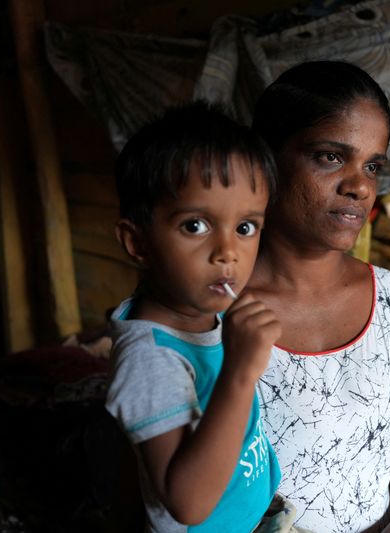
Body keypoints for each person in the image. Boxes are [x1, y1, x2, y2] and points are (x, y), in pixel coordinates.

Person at [248, 61, 390, 532]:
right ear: (268, 159)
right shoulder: (213, 316)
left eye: (373, 166)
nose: (359, 185)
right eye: (329, 157)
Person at [105, 101, 283, 532]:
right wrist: (240, 373)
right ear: (138, 242)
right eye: (195, 226)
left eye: (245, 228)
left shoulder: (204, 315)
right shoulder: (151, 360)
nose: (227, 253)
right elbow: (188, 503)